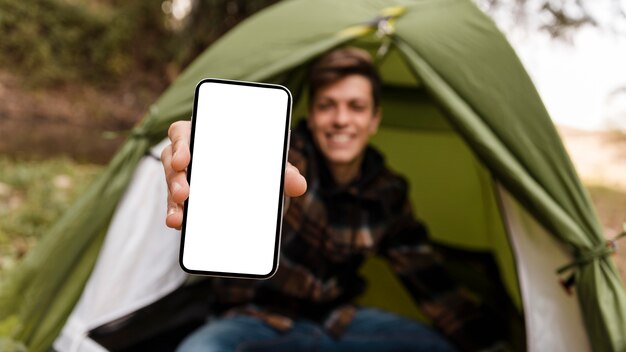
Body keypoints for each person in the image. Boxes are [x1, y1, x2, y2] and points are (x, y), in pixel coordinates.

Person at [162, 48, 503, 351]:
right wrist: (204, 149)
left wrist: (492, 345)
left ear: (374, 120)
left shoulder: (388, 192)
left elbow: (429, 281)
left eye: (356, 107)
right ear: (312, 114)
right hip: (254, 322)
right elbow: (240, 161)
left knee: (439, 346)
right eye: (328, 106)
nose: (341, 120)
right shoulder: (282, 156)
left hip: (341, 323)